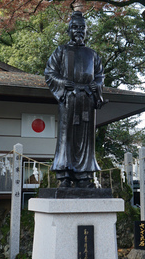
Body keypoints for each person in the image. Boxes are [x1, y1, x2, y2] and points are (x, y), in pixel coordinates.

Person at [44, 11, 105, 188]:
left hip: (87, 99)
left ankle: (84, 176)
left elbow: (100, 75)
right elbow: (50, 73)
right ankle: (65, 175)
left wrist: (96, 85)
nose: (79, 31)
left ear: (86, 31)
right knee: (67, 136)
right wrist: (63, 83)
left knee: (86, 138)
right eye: (75, 27)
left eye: (82, 28)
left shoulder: (92, 54)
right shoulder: (61, 51)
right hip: (69, 98)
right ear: (69, 30)